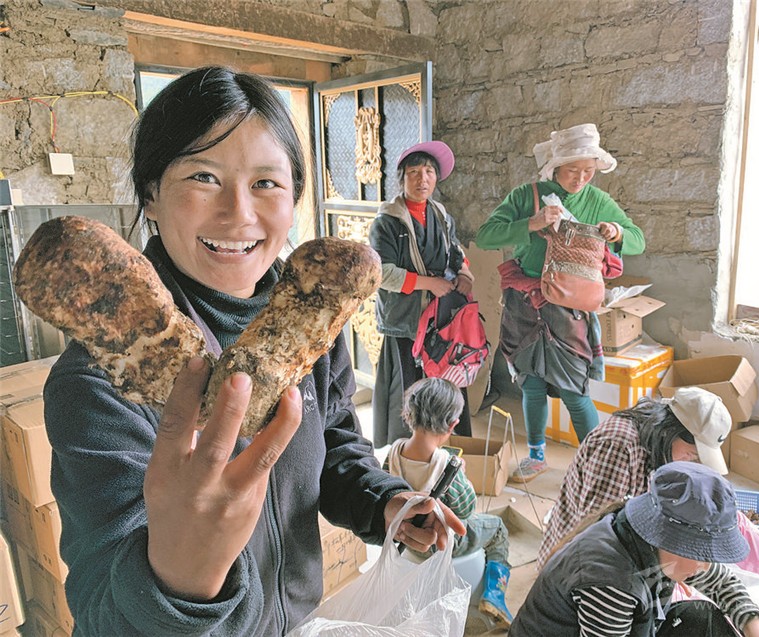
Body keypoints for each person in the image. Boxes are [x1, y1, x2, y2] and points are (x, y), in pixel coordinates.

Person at [41, 66, 464, 636]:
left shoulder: (310, 321)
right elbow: (101, 615)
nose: (239, 212)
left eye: (266, 182)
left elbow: (336, 441)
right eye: (203, 176)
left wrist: (387, 503)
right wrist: (181, 578)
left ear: (294, 199)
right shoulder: (102, 380)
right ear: (150, 195)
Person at [537, 386, 759, 623]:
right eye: (692, 454)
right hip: (592, 562)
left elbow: (715, 572)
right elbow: (600, 530)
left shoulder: (662, 441)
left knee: (730, 520)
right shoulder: (619, 446)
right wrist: (677, 576)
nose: (694, 462)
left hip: (644, 543)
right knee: (689, 605)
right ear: (672, 431)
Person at [476, 123, 645, 482]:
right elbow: (487, 235)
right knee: (532, 384)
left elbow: (638, 239)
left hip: (570, 311)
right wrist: (531, 223)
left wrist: (617, 233)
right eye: (572, 170)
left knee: (574, 389)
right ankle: (536, 455)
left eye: (588, 171)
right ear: (554, 167)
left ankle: (595, 465)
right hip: (525, 304)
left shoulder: (598, 201)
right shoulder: (527, 196)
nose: (580, 179)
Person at [511, 462, 759, 637]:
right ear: (671, 540)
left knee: (700, 618)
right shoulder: (612, 584)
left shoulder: (651, 543)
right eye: (702, 554)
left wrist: (755, 629)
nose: (706, 565)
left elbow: (722, 584)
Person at [369, 140, 476, 447]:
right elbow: (381, 272)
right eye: (414, 172)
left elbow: (455, 252)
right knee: (409, 386)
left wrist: (465, 274)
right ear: (402, 179)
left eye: (429, 172)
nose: (422, 179)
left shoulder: (440, 215)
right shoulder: (387, 222)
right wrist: (429, 283)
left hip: (440, 320)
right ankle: (407, 451)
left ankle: (446, 443)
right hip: (405, 319)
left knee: (445, 379)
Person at [383, 377, 513, 627]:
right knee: (497, 528)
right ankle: (494, 595)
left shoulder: (394, 452)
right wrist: (461, 474)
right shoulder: (446, 465)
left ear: (408, 414)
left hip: (406, 539)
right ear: (452, 424)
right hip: (441, 542)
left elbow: (386, 490)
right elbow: (466, 510)